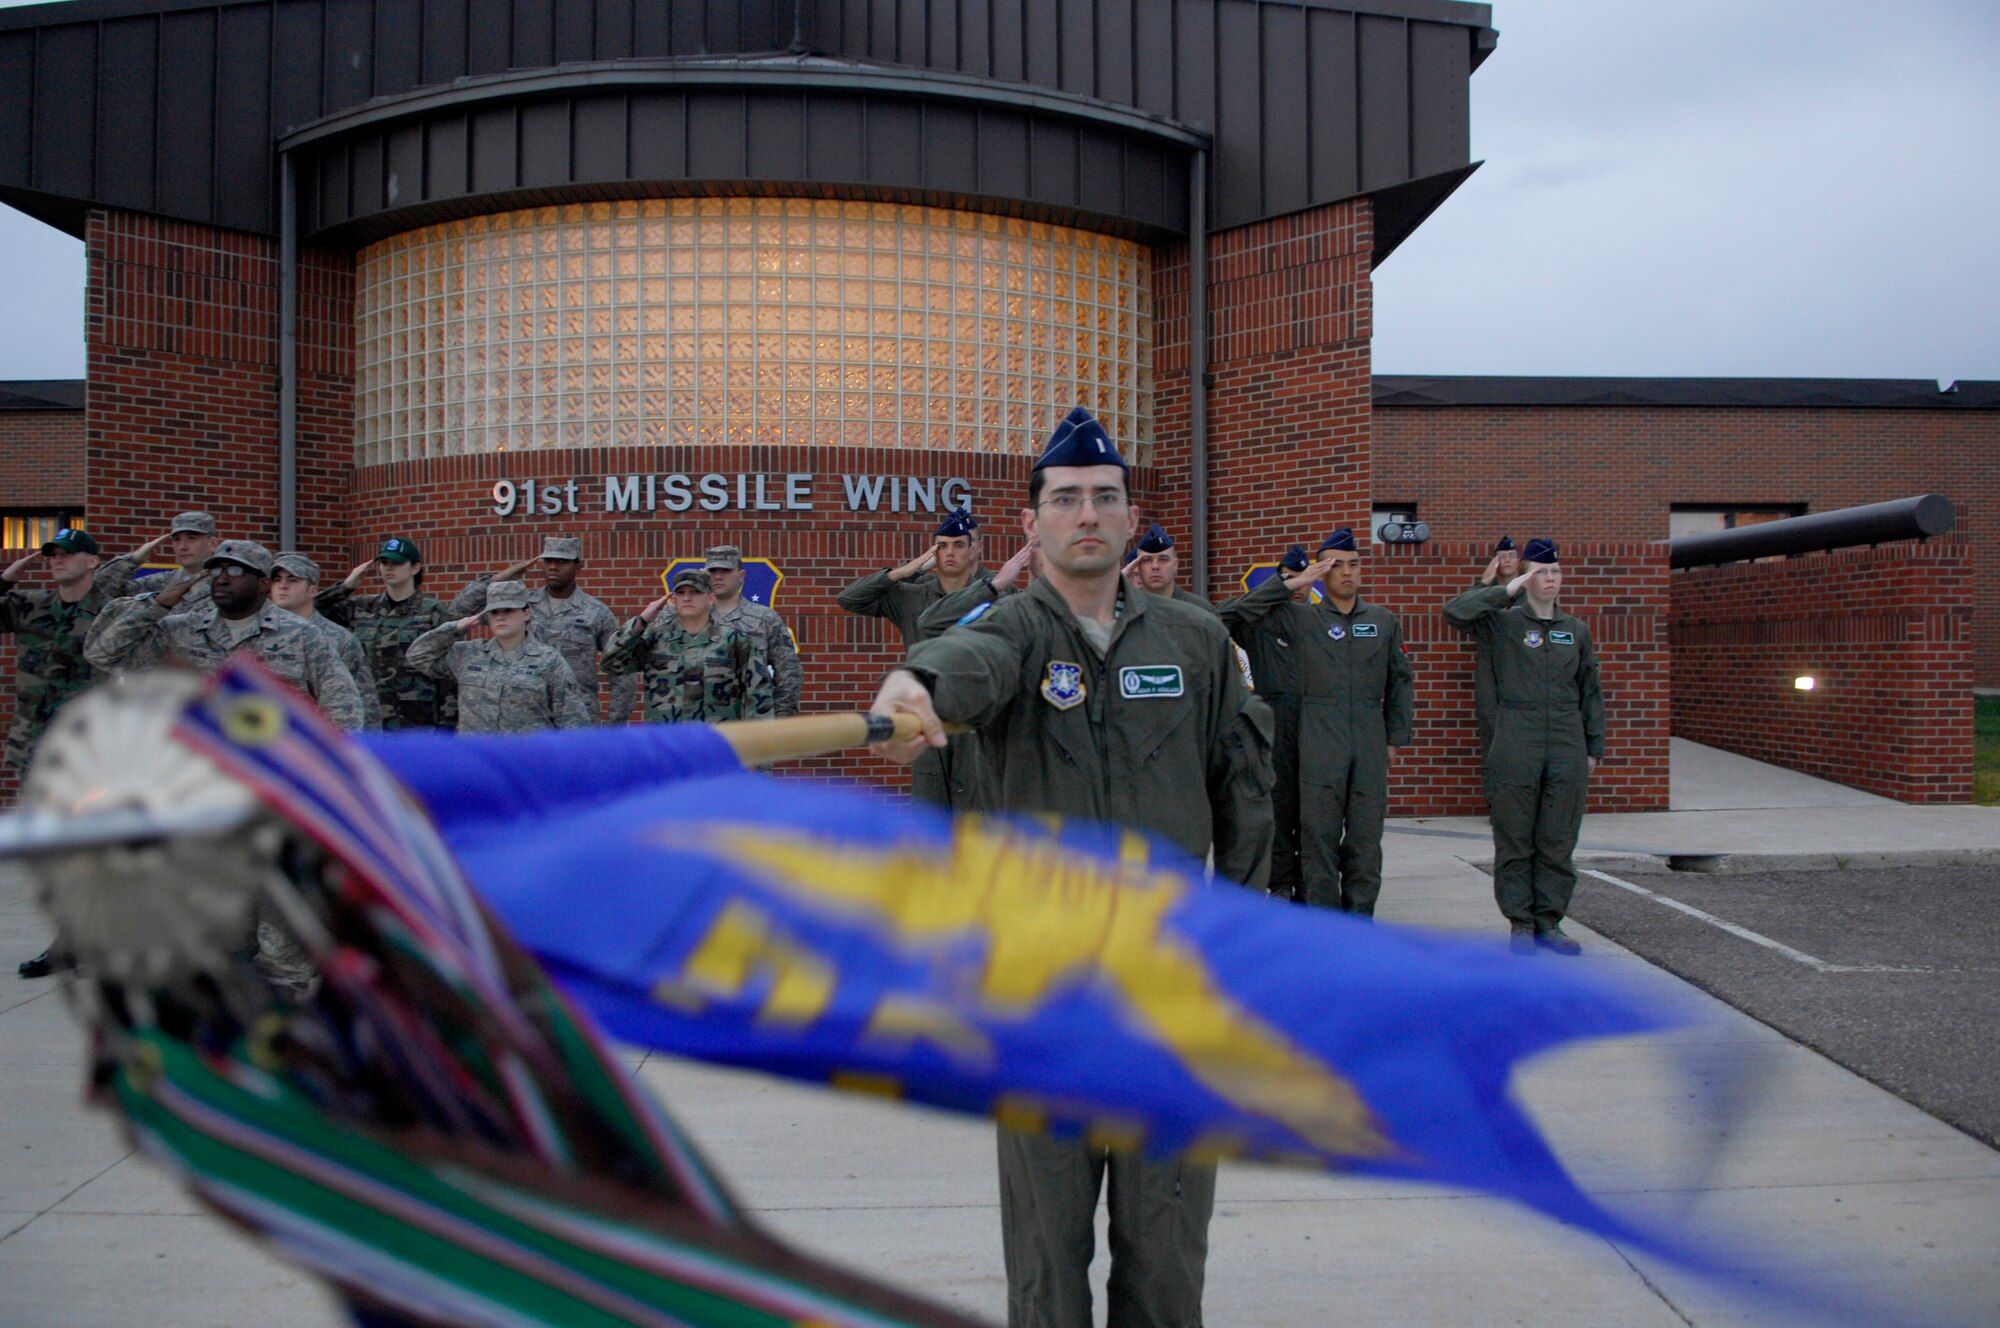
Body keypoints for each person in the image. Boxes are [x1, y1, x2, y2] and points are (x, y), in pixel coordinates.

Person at [868, 405, 1273, 1328]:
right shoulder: (1012, 631)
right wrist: (915, 686)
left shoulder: (1196, 642)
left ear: (1130, 519)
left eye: (1104, 498)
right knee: (1049, 1260)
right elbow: (967, 660)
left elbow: (1245, 799)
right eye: (1065, 500)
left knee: (1166, 1256)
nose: (1085, 514)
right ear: (1033, 523)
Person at [1220, 528, 1412, 915]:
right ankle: (1325, 926)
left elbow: (1400, 681)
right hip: (1320, 739)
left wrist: (1394, 738)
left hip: (1369, 739)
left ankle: (1360, 919)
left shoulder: (1383, 620)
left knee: (1364, 838)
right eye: (1336, 565)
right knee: (1318, 838)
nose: (1346, 573)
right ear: (1322, 573)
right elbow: (1230, 615)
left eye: (1353, 565)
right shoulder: (1300, 619)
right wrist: (1290, 582)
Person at [2, 526, 162, 978]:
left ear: (93, 562)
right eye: (52, 554)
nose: (57, 560)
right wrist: (7, 577)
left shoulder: (113, 611)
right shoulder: (31, 606)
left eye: (68, 554)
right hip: (35, 746)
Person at [1443, 538, 1604, 955]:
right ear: (1527, 577)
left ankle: (1549, 923)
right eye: (1540, 572)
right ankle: (1520, 922)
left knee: (1558, 836)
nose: (1549, 580)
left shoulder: (1576, 630)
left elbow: (1590, 691)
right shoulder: (1503, 623)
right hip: (1516, 734)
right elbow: (1455, 612)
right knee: (1515, 836)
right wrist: (1508, 588)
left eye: (1554, 572)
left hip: (1567, 738)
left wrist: (1593, 747)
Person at [86, 539, 367, 731]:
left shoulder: (302, 634)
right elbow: (103, 654)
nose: (222, 577)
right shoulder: (179, 629)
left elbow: (343, 708)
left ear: (262, 583)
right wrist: (157, 604)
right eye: (216, 569)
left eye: (235, 570)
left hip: (272, 778)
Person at [836, 507, 992, 806]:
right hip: (926, 716)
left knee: (977, 816)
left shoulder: (994, 590)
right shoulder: (914, 594)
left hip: (977, 719)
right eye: (943, 544)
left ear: (975, 548)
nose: (951, 552)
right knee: (930, 813)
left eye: (960, 543)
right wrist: (908, 570)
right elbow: (849, 599)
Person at [448, 536, 635, 724]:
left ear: (578, 566)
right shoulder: (519, 606)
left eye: (562, 561)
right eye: (548, 561)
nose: (553, 567)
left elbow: (621, 669)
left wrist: (613, 727)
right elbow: (459, 611)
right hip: (525, 719)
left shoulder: (596, 613)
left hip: (576, 720)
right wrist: (501, 578)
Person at [1215, 542, 1312, 899]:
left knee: (1311, 810)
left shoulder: (1314, 618)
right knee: (1278, 806)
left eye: (1299, 580)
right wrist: (1277, 589)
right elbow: (1220, 616)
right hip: (1273, 720)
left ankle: (1308, 882)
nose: (1294, 587)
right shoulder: (1253, 617)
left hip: (1313, 722)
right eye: (1287, 579)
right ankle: (1282, 881)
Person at [405, 580, 593, 734]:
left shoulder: (549, 660)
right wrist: (454, 629)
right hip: (478, 763)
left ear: (526, 614)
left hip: (527, 763)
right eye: (494, 612)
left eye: (508, 610)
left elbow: (573, 721)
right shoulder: (468, 654)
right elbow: (417, 655)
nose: (500, 617)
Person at [315, 537, 458, 729]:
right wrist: (346, 587)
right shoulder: (362, 607)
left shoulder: (432, 610)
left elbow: (445, 671)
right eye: (384, 563)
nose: (389, 568)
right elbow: (314, 609)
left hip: (416, 718)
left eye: (397, 563)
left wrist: (446, 725)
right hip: (369, 715)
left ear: (415, 568)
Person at [602, 568, 772, 723]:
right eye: (681, 592)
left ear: (711, 598)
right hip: (668, 746)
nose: (687, 598)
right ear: (673, 600)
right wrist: (642, 620)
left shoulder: (735, 641)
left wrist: (755, 752)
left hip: (716, 744)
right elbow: (611, 663)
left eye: (695, 592)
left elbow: (759, 698)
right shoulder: (655, 638)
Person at [269, 553, 380, 729]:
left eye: (293, 580)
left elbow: (366, 703)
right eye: (277, 579)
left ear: (312, 590)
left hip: (319, 743)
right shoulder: (262, 635)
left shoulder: (339, 639)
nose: (282, 585)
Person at [705, 545, 802, 717]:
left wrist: (779, 718)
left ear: (741, 575)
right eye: (713, 571)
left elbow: (789, 673)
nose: (718, 576)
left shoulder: (764, 619)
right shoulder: (690, 618)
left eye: (725, 571)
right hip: (700, 725)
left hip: (750, 722)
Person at [1470, 536, 1520, 761]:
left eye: (1511, 556)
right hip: (1491, 670)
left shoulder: (1529, 592)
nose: (1507, 560)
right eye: (1502, 556)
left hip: (1523, 669)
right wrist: (1484, 582)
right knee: (1493, 741)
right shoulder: (1484, 594)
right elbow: (1462, 612)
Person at [1124, 522, 1218, 616]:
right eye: (1147, 560)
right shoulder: (1125, 609)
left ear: (1175, 564)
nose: (1155, 566)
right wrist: (1119, 582)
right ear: (1136, 566)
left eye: (1163, 559)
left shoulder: (1200, 609)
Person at [157, 511, 222, 614]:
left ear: (212, 544)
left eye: (191, 538)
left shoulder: (226, 585)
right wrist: (133, 560)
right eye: (177, 539)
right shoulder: (157, 583)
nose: (182, 547)